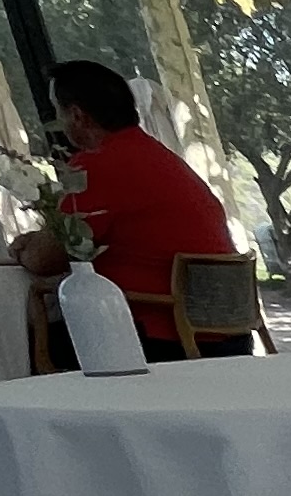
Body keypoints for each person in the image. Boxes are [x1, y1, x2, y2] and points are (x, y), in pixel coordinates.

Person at [15, 60, 236, 355]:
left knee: (14, 344)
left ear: (76, 115)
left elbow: (44, 260)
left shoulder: (96, 167)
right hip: (226, 334)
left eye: (57, 111)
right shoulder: (159, 158)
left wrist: (24, 247)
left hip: (157, 337)